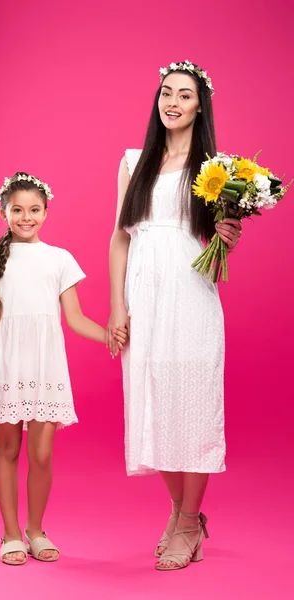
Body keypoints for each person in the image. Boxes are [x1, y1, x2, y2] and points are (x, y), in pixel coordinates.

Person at [0, 172, 127, 565]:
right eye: (17, 210)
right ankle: (10, 534)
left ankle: (36, 531)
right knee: (7, 449)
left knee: (42, 454)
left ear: (46, 212)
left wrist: (109, 334)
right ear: (4, 211)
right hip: (7, 361)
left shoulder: (60, 258)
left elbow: (73, 318)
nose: (26, 217)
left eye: (34, 210)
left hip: (45, 363)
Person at [106, 61, 242, 571]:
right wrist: (118, 304)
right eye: (167, 92)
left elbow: (218, 239)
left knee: (193, 405)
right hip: (143, 295)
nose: (173, 102)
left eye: (184, 95)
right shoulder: (133, 160)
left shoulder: (215, 169)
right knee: (151, 405)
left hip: (191, 295)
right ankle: (185, 515)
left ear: (199, 105)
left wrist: (231, 236)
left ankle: (188, 523)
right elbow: (120, 235)